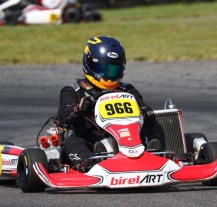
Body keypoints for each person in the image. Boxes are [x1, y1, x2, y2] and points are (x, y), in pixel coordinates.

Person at [58, 35, 157, 169]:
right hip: (91, 142)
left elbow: (147, 112)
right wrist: (79, 109)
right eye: (102, 69)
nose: (108, 76)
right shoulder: (73, 91)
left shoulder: (127, 89)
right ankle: (92, 164)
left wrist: (146, 112)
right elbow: (64, 119)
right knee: (72, 142)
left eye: (113, 70)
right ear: (89, 63)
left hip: (129, 137)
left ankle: (151, 156)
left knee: (144, 130)